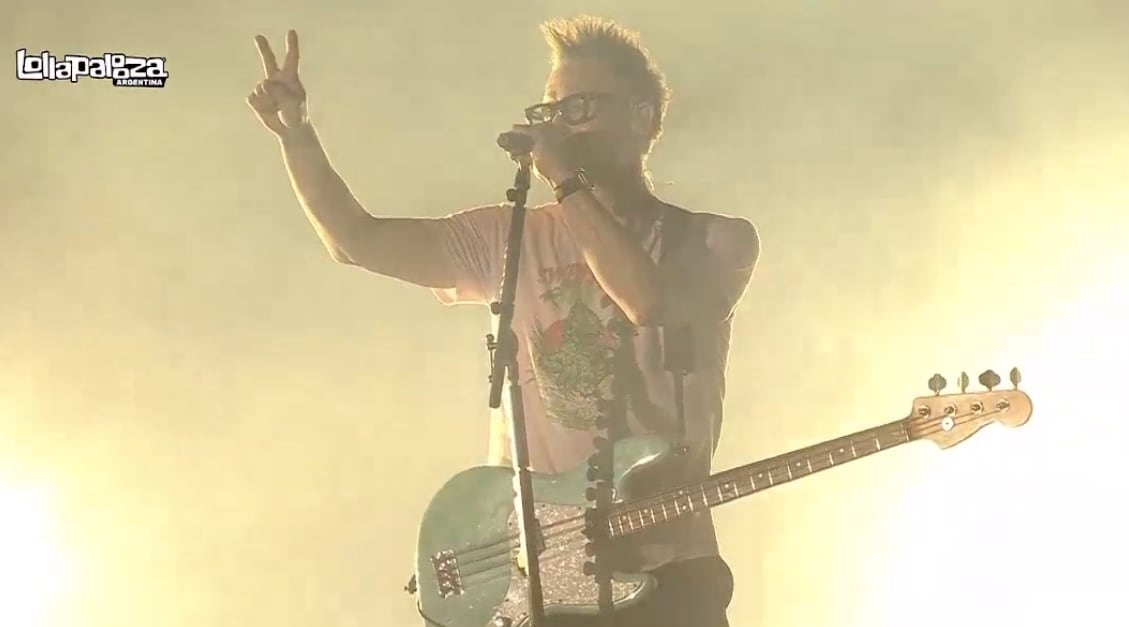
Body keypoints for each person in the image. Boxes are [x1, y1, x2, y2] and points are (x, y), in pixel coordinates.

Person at [247, 15, 759, 627]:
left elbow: (644, 303)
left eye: (581, 108)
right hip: (538, 574)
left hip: (668, 577)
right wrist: (295, 138)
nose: (561, 127)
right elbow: (357, 241)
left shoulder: (713, 241)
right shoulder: (508, 237)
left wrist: (565, 180)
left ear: (644, 117)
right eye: (551, 111)